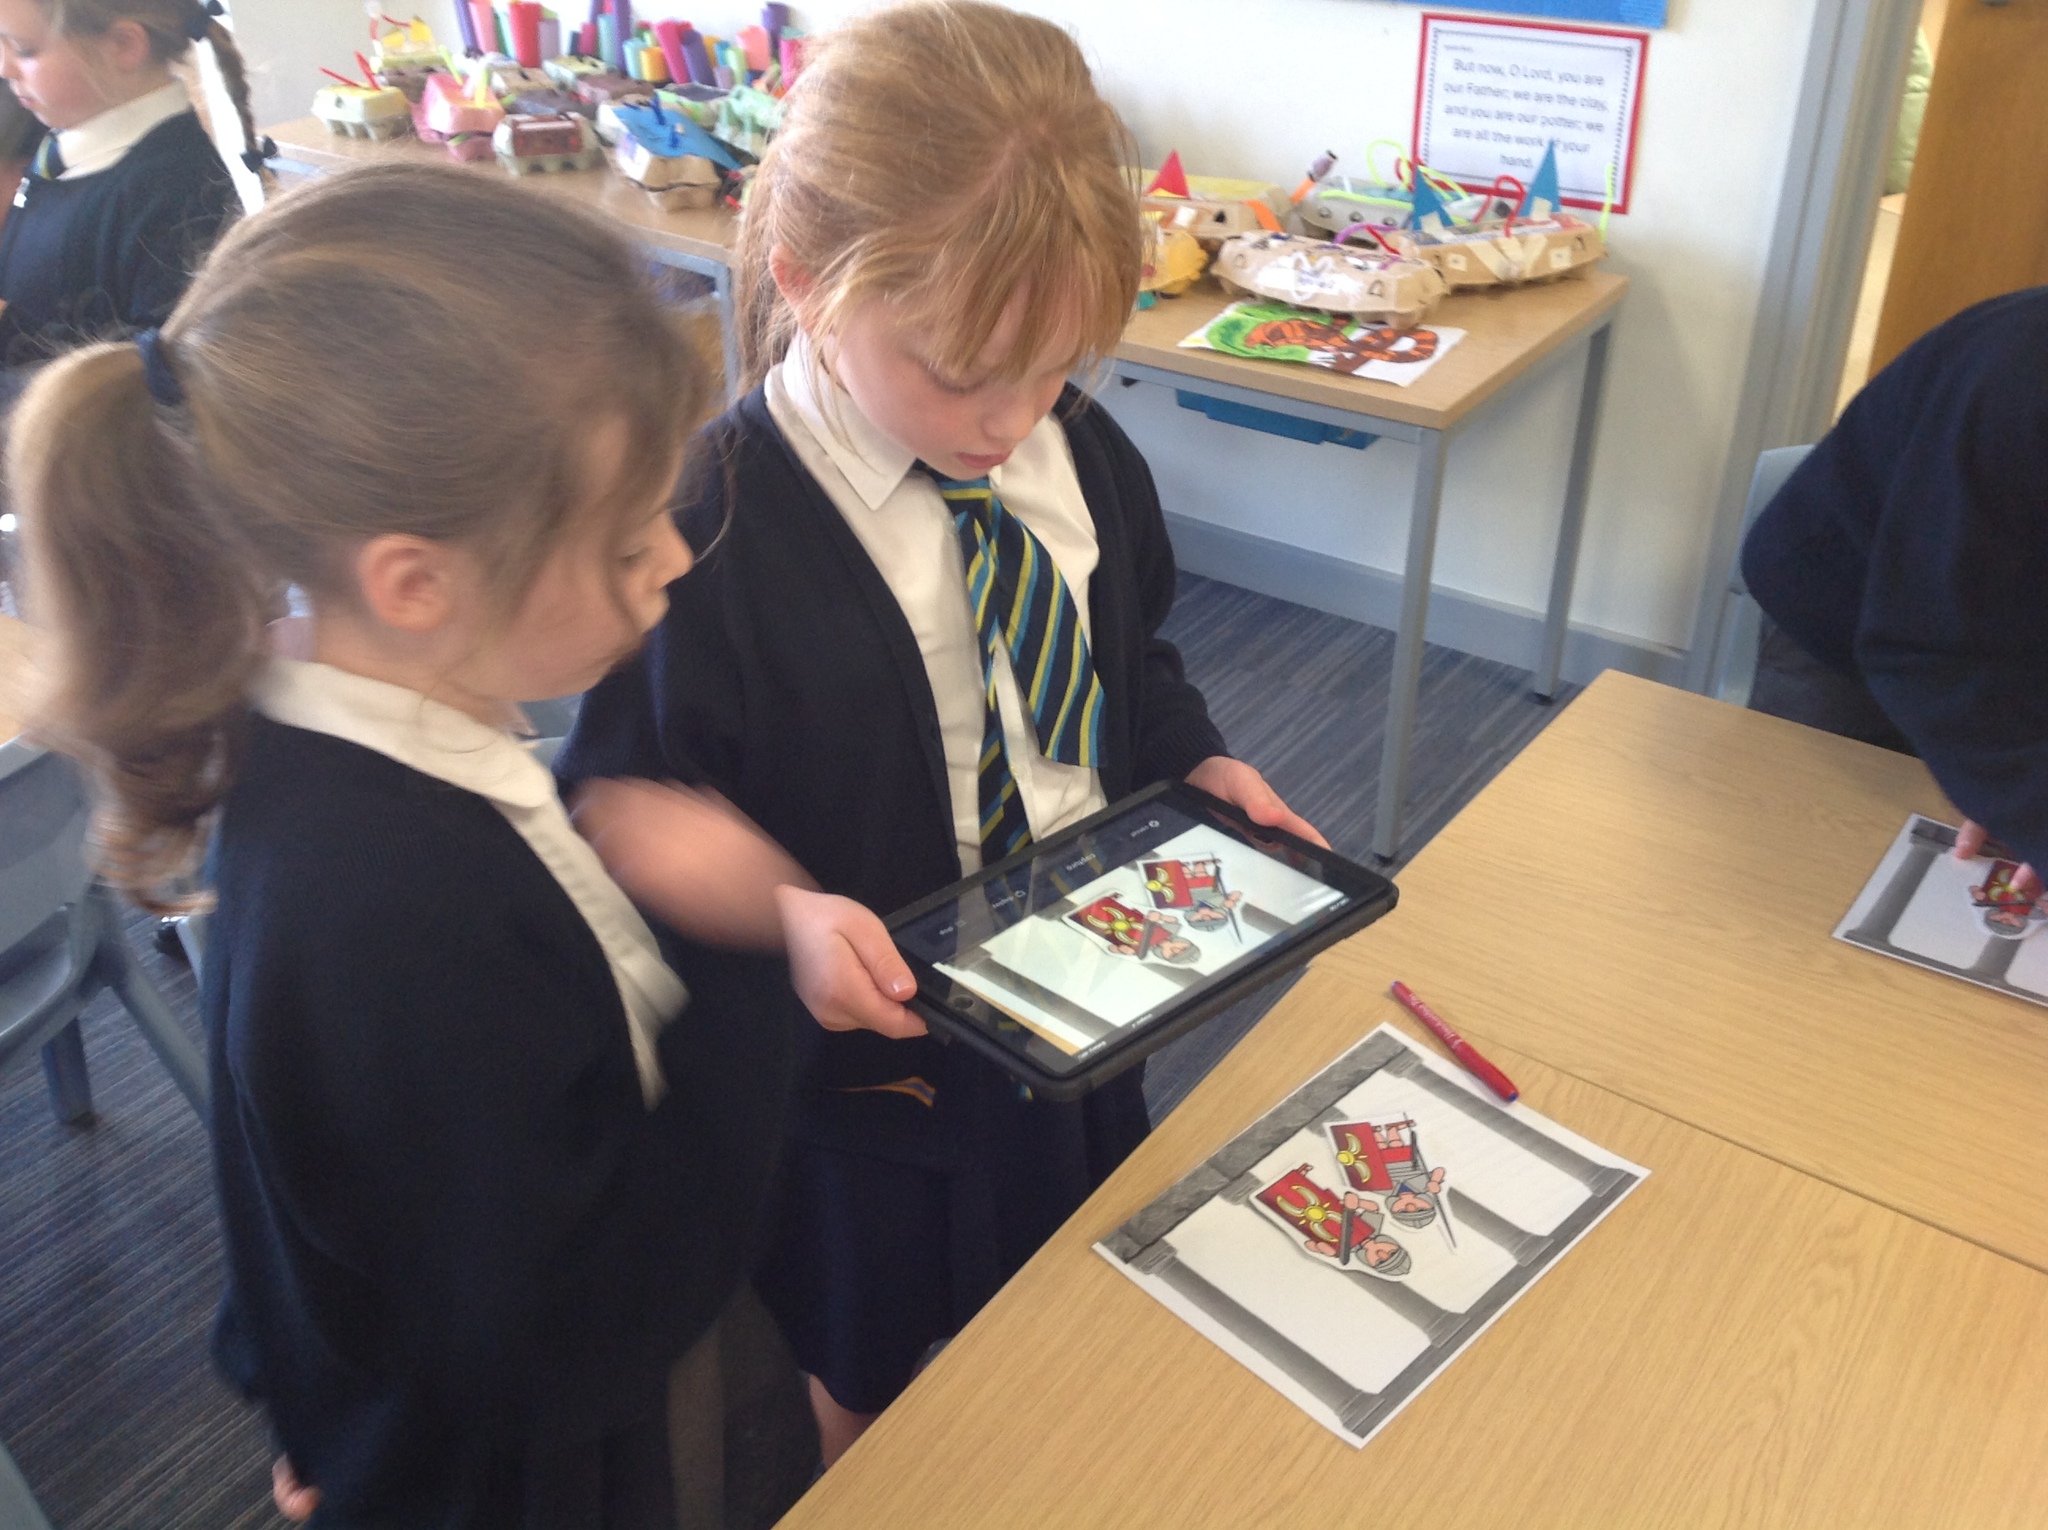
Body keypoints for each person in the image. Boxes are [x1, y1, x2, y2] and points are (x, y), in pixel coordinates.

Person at [12, 163, 916, 1529]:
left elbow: (303, 1138)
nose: (675, 561)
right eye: (625, 543)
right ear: (417, 583)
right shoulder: (388, 902)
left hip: (436, 1392)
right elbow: (586, 1318)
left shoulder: (353, 740)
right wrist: (734, 958)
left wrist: (290, 1369)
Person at [557, 0, 1322, 1467]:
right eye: (959, 372)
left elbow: (1129, 662)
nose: (1007, 420)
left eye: (1054, 367)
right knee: (874, 1366)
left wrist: (1195, 763)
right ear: (806, 283)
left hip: (1081, 1001)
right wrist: (783, 914)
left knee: (1070, 1297)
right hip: (863, 1081)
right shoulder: (704, 528)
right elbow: (616, 803)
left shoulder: (1080, 455)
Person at [1741, 285, 2048, 888]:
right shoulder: (2016, 377)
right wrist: (2022, 797)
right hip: (1851, 614)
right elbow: (1928, 648)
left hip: (1991, 625)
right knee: (1792, 871)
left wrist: (2019, 794)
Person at [0, 0, 251, 367]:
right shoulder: (63, 148)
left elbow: (155, 376)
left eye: (24, 50)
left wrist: (10, 329)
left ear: (123, 46)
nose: (4, 67)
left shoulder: (177, 192)